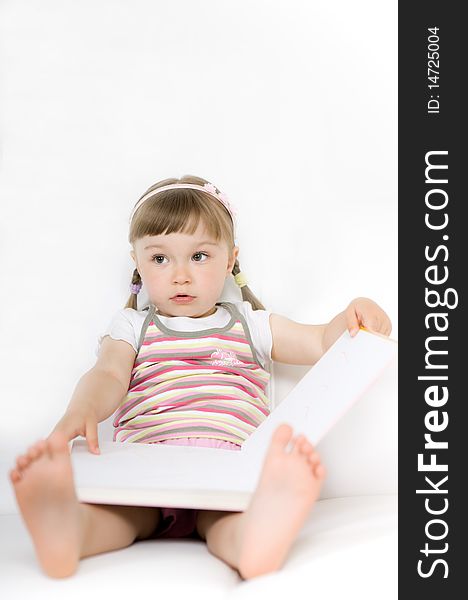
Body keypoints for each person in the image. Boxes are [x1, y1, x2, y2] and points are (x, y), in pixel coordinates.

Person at [9, 174, 392, 581]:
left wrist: (353, 314)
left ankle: (256, 539)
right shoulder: (131, 326)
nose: (180, 275)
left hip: (227, 467)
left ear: (229, 261)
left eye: (199, 256)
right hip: (146, 468)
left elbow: (318, 341)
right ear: (137, 263)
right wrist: (82, 409)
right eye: (160, 259)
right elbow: (107, 373)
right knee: (119, 518)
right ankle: (66, 531)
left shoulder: (251, 323)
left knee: (227, 520)